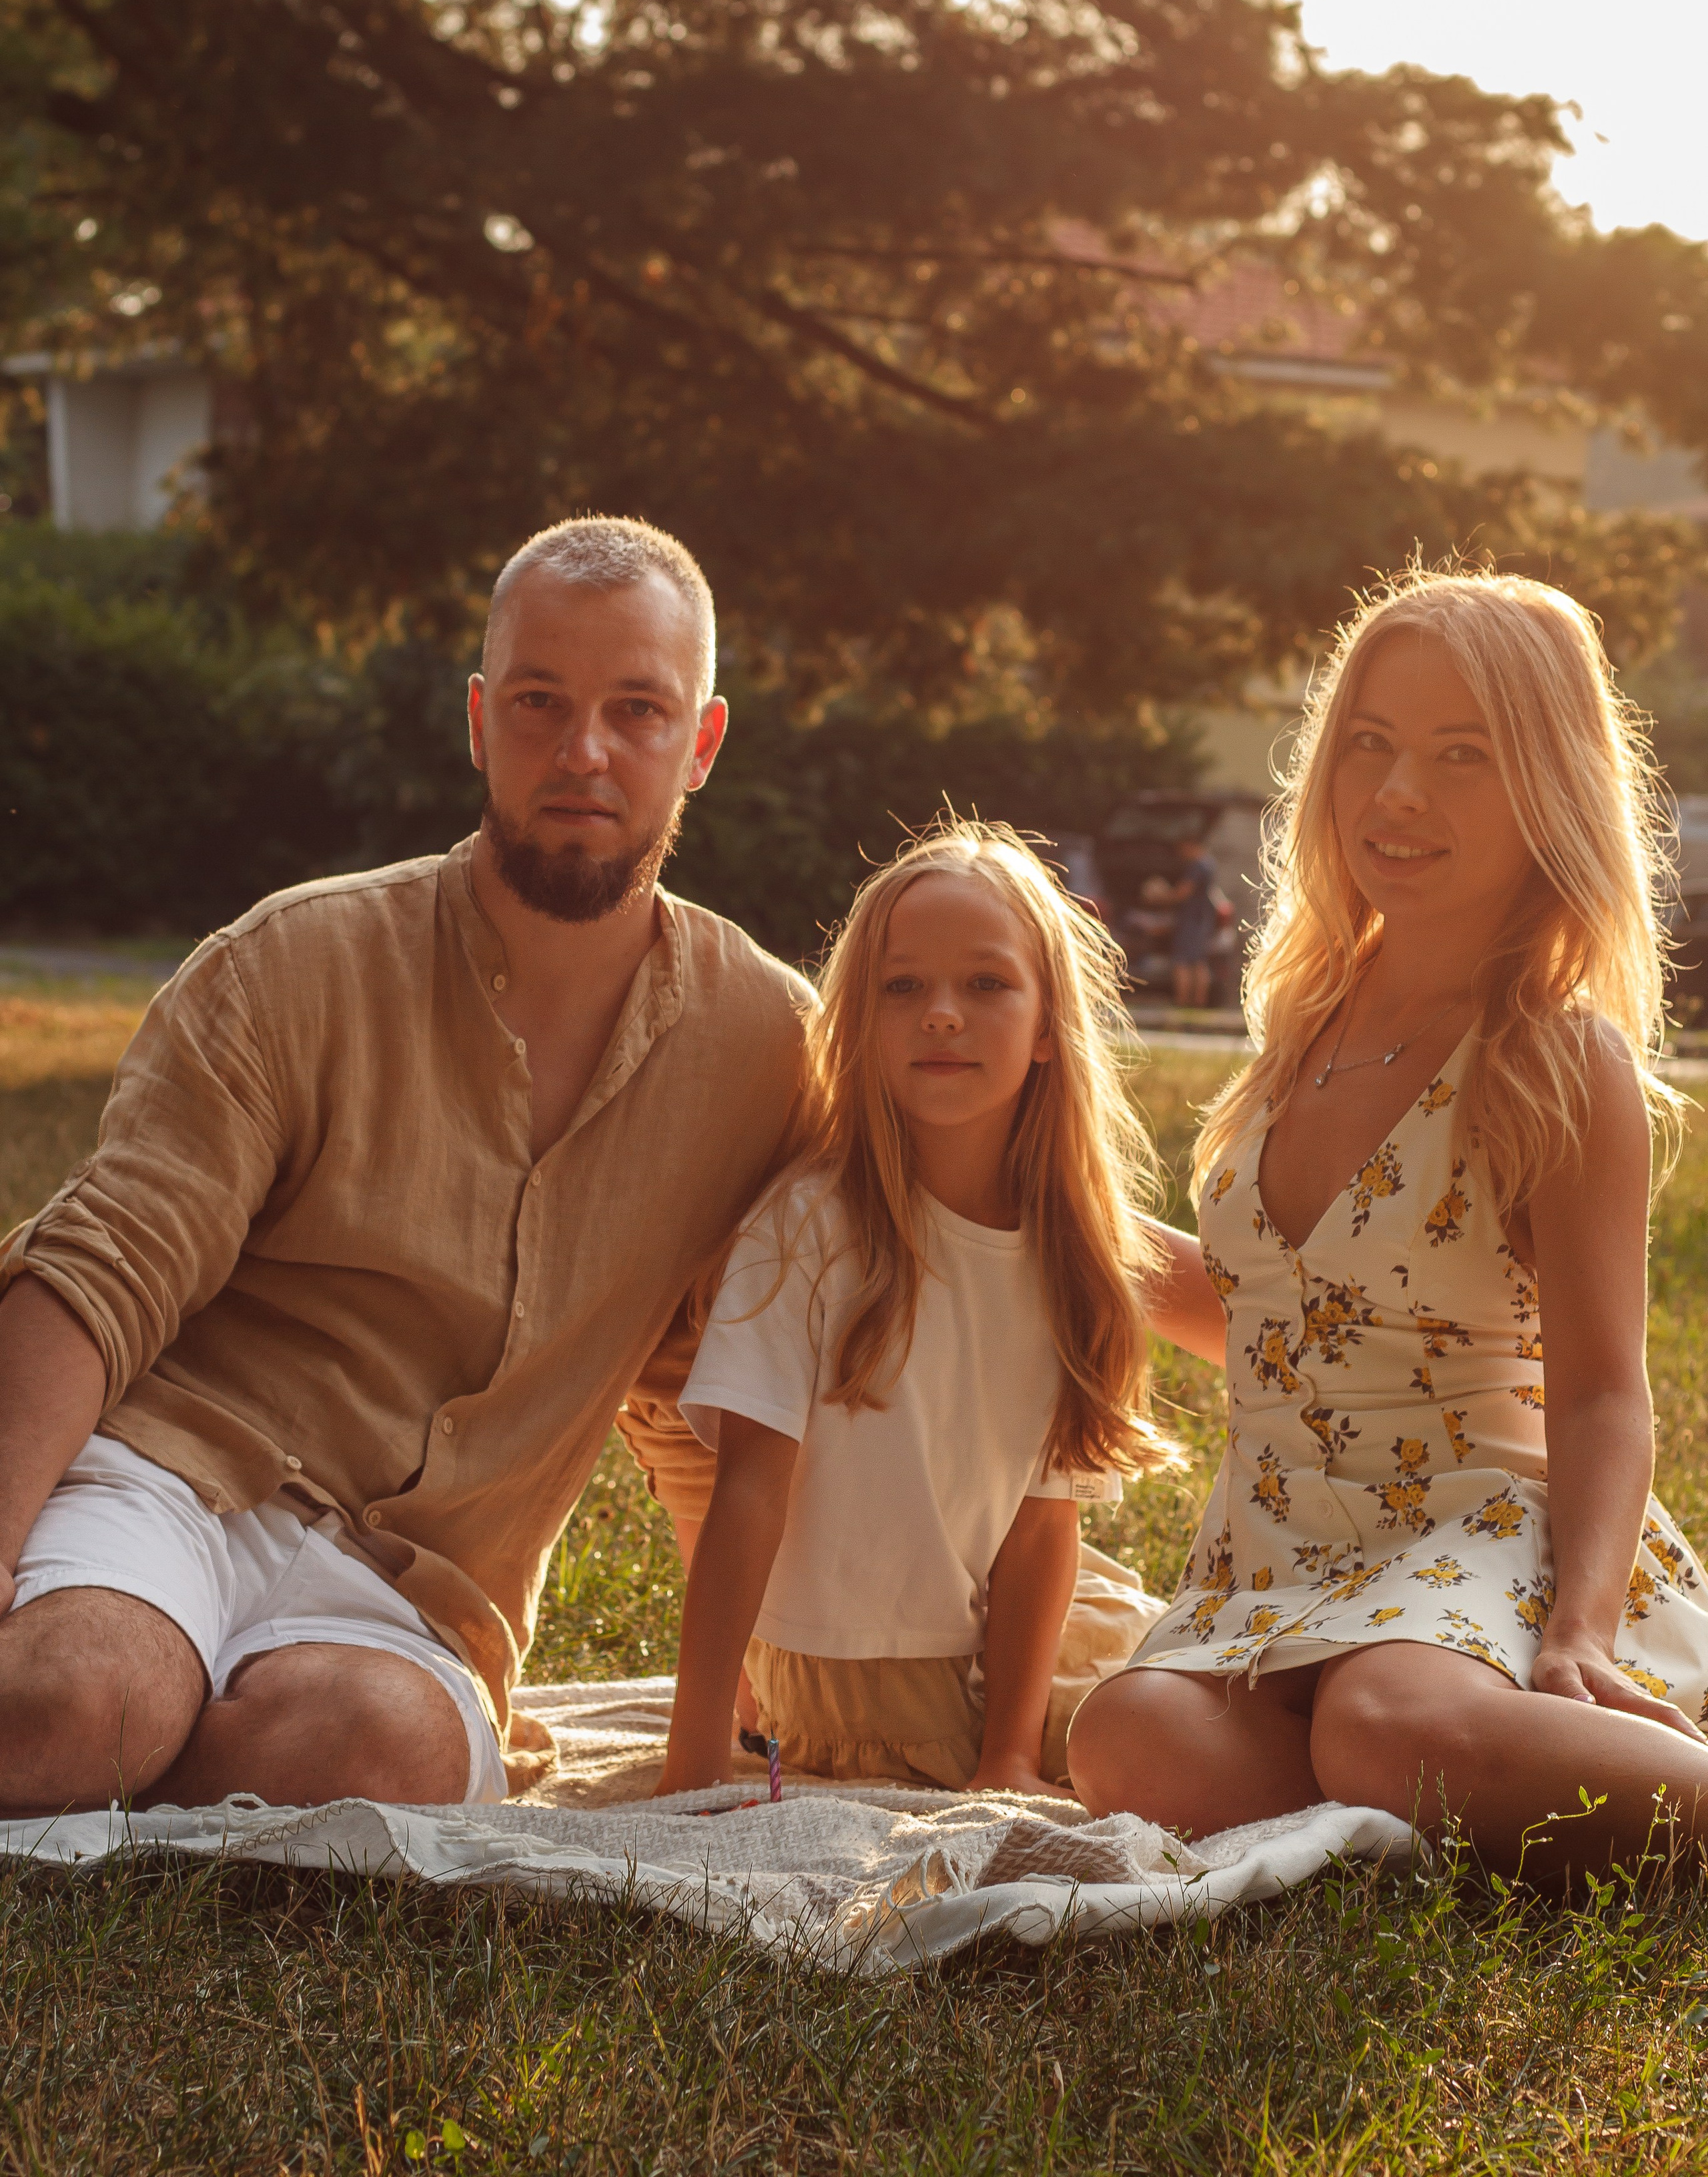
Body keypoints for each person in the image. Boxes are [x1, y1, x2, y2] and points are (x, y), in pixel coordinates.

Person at [0, 516, 811, 1817]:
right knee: (67, 1707)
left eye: (637, 711)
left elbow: (727, 1383)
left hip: (425, 1591)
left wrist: (760, 1686)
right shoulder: (292, 964)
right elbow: (103, 1265)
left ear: (700, 743)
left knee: (383, 1763)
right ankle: (120, 1703)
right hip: (178, 1477)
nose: (583, 751)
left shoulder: (768, 1048)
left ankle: (157, 1742)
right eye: (541, 702)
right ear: (480, 721)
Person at [1068, 565, 1708, 1877]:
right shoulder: (1301, 1020)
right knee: (1123, 1738)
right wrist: (1058, 1224)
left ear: (1547, 786)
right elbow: (1272, 1313)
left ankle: (1459, 1759)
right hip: (1279, 1544)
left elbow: (1598, 1397)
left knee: (1382, 1720)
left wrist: (1574, 1634)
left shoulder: (1549, 1056)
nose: (1397, 792)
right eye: (1370, 745)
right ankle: (1418, 1806)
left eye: (1459, 755)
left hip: (1473, 1529)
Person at [656, 822, 1171, 1803]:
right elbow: (747, 1501)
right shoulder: (809, 1228)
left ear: (1051, 1026)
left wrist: (1007, 1759)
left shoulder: (1069, 1254)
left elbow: (1037, 1528)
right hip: (857, 1685)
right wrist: (693, 1762)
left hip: (996, 1640)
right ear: (860, 1019)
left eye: (985, 985)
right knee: (1158, 1739)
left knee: (1183, 1688)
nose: (941, 1014)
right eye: (904, 987)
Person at [1169, 836, 1218, 1010]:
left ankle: (1183, 1003)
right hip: (1203, 919)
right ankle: (1199, 1004)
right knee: (1199, 961)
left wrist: (1162, 896)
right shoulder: (1209, 863)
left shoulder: (1197, 866)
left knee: (1183, 962)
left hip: (1191, 920)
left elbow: (1183, 893)